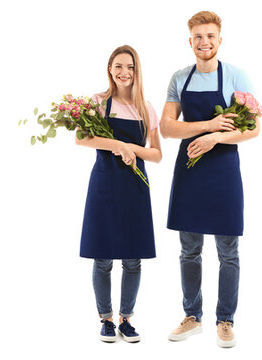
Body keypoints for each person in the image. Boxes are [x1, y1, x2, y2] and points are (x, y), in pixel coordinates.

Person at [161, 11, 260, 348]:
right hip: (190, 170)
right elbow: (167, 127)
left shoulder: (236, 76)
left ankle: (225, 320)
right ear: (190, 41)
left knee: (228, 251)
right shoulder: (179, 78)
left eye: (210, 36)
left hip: (223, 171)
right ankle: (192, 316)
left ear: (220, 39)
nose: (205, 42)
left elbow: (254, 128)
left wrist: (216, 139)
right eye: (198, 37)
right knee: (189, 250)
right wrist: (208, 127)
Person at [76, 45, 162, 344]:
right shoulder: (98, 102)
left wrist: (131, 149)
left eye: (130, 67)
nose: (124, 72)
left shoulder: (146, 108)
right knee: (102, 258)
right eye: (118, 66)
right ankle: (106, 320)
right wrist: (118, 146)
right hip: (104, 184)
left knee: (133, 258)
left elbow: (156, 155)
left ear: (137, 71)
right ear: (110, 69)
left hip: (135, 188)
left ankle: (126, 319)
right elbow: (82, 139)